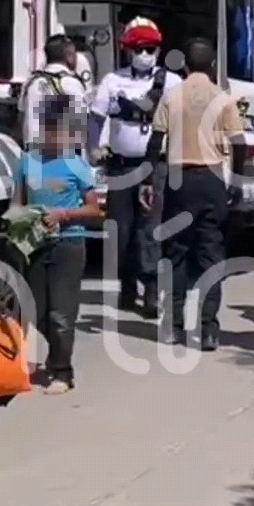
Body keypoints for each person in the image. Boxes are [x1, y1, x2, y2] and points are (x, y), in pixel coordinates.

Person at [142, 38, 252, 351]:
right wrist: (237, 180)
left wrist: (149, 179)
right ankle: (208, 330)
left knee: (176, 253)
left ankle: (174, 326)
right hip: (212, 179)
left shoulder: (172, 96)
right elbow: (239, 143)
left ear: (187, 66)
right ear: (212, 66)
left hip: (179, 181)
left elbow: (155, 141)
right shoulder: (222, 98)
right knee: (210, 255)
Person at [88, 18, 180, 317]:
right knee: (121, 230)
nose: (145, 54)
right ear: (128, 50)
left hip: (154, 166)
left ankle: (151, 289)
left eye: (151, 49)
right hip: (120, 166)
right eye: (139, 49)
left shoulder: (171, 82)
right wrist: (93, 145)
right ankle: (127, 286)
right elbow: (96, 117)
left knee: (150, 229)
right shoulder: (113, 80)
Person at [15, 95, 103, 394]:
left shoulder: (76, 165)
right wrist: (22, 219)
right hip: (36, 245)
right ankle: (55, 359)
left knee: (61, 314)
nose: (54, 137)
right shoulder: (27, 161)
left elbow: (96, 210)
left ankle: (62, 372)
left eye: (60, 131)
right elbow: (17, 204)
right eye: (48, 129)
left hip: (68, 244)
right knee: (38, 310)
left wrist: (64, 215)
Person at [22, 34, 89, 149]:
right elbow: (82, 121)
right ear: (69, 56)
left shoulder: (30, 82)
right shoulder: (70, 83)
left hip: (32, 153)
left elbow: (22, 117)